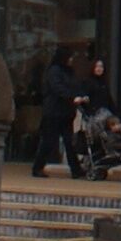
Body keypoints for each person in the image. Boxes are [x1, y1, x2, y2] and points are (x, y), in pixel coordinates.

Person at [28, 48, 79, 177]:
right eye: (70, 57)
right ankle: (37, 167)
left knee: (69, 142)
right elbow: (58, 88)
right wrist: (72, 97)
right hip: (53, 112)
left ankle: (76, 169)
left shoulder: (69, 72)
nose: (72, 59)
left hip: (66, 112)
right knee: (49, 141)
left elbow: (73, 87)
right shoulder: (54, 71)